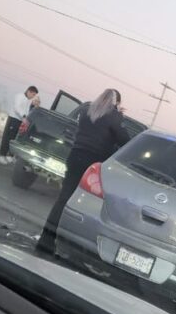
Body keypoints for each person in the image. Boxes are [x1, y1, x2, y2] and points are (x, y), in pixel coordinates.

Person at [36, 88, 129, 256]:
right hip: (92, 162)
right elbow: (125, 140)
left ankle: (45, 240)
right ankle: (74, 246)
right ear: (116, 102)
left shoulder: (87, 111)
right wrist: (118, 114)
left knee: (63, 199)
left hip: (76, 156)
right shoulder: (114, 116)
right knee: (88, 205)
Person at [0, 85, 39, 165]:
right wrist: (23, 116)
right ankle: (1, 156)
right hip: (13, 119)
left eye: (34, 95)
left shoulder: (28, 101)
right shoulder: (19, 96)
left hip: (20, 121)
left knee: (14, 138)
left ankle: (9, 156)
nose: (33, 97)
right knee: (7, 138)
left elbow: (28, 112)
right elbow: (17, 107)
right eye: (33, 94)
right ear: (28, 91)